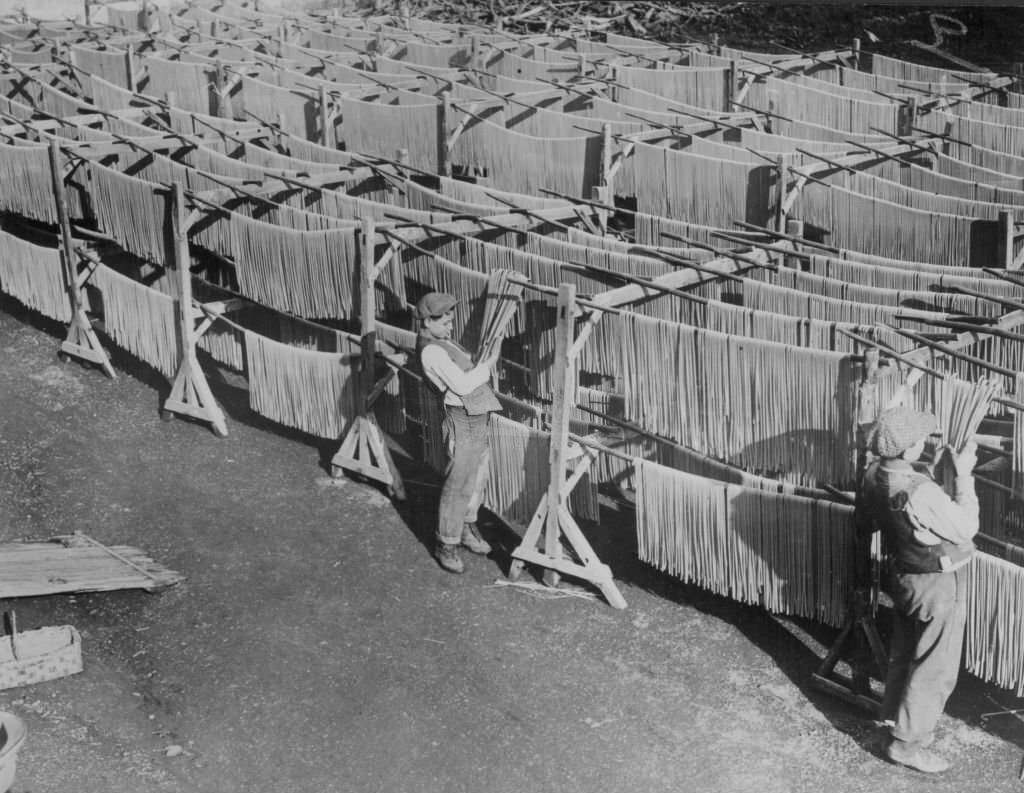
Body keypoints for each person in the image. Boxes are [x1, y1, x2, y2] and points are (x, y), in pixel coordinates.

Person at [858, 406, 979, 774]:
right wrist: (963, 477)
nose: (925, 443)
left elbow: (884, 515)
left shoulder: (874, 474)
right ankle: (908, 746)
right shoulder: (921, 491)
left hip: (903, 577)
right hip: (934, 586)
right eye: (920, 440)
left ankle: (891, 724)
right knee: (935, 666)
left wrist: (929, 475)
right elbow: (966, 528)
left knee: (905, 653)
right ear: (909, 448)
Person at [415, 292, 502, 574]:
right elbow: (462, 386)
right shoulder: (431, 350)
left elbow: (466, 367)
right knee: (458, 483)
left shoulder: (444, 341)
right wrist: (488, 366)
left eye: (451, 320)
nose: (451, 327)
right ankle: (446, 541)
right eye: (445, 322)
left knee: (477, 476)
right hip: (461, 418)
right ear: (427, 321)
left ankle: (466, 525)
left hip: (477, 413)